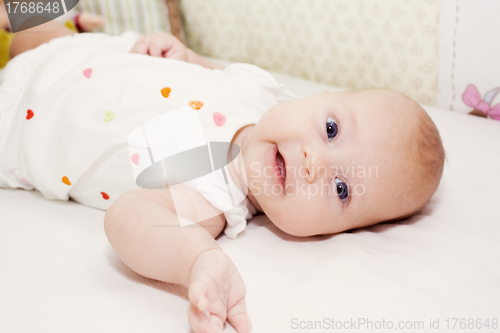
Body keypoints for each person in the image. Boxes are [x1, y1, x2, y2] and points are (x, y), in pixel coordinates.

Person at [0, 21, 445, 333]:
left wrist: (195, 259)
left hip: (18, 119)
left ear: (331, 232)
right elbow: (211, 72)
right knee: (36, 17)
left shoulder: (214, 197)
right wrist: (181, 54)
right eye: (331, 129)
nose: (315, 163)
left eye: (341, 189)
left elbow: (127, 216)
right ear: (319, 96)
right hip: (82, 52)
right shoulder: (263, 90)